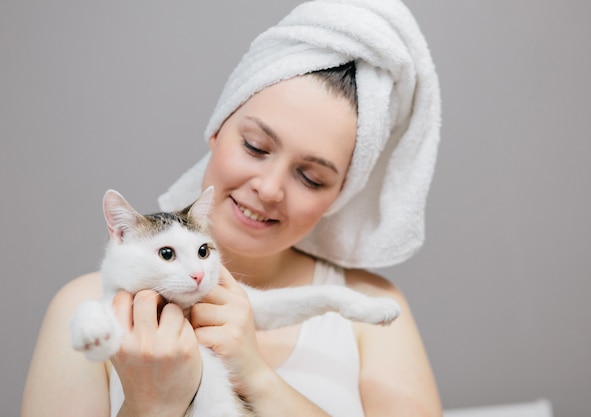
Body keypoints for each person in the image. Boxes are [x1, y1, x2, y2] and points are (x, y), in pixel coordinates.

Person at [22, 0, 442, 416]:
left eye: (311, 177)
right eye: (256, 147)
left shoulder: (371, 308)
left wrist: (255, 373)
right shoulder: (83, 311)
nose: (270, 189)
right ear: (218, 130)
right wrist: (154, 404)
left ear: (341, 195)